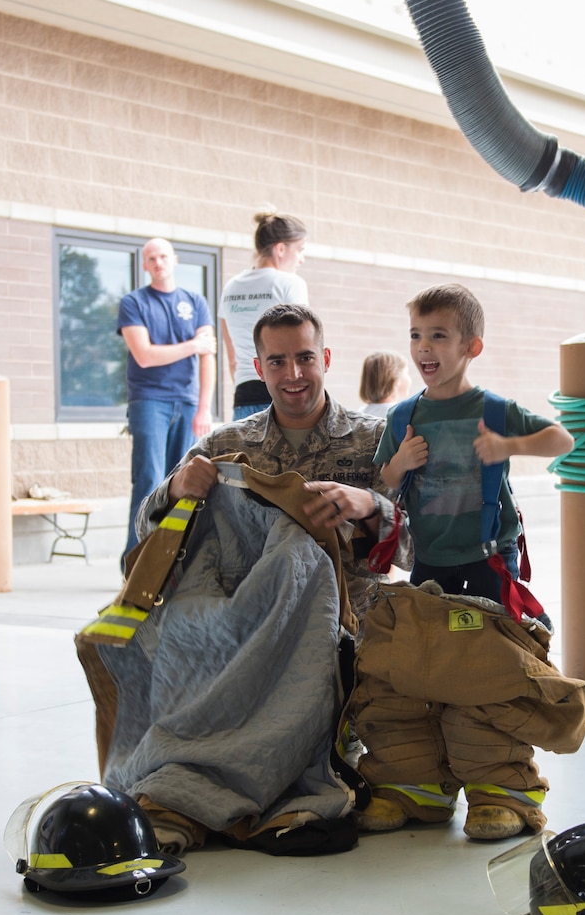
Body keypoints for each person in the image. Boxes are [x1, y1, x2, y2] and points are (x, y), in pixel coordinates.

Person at [140, 302, 401, 619]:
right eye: (277, 362)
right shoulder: (224, 445)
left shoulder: (375, 440)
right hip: (253, 634)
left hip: (351, 635)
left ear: (326, 359)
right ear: (260, 369)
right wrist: (177, 488)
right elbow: (146, 529)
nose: (293, 374)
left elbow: (413, 551)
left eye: (305, 358)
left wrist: (371, 506)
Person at [373, 284, 572, 604]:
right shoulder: (402, 415)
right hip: (430, 559)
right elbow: (388, 477)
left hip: (491, 556)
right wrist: (401, 462)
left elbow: (562, 440)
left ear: (471, 347)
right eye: (415, 335)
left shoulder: (494, 410)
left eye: (438, 335)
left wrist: (509, 447)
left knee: (493, 646)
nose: (423, 346)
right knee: (436, 646)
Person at [120, 237, 214, 552]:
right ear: (145, 265)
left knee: (185, 483)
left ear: (174, 259)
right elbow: (144, 355)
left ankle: (171, 557)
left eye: (162, 256)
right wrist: (192, 345)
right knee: (148, 481)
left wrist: (204, 408)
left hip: (188, 403)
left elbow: (208, 356)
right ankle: (136, 560)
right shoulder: (134, 303)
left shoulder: (196, 303)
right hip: (149, 401)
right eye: (151, 259)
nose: (158, 263)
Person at [217, 210, 308, 420]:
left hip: (244, 396)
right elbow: (303, 344)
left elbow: (232, 359)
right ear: (281, 249)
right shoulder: (290, 283)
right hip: (285, 396)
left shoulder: (230, 288)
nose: (301, 259)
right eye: (300, 250)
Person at [358, 350, 412, 417]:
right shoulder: (400, 414)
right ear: (396, 380)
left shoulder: (361, 412)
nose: (409, 379)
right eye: (406, 373)